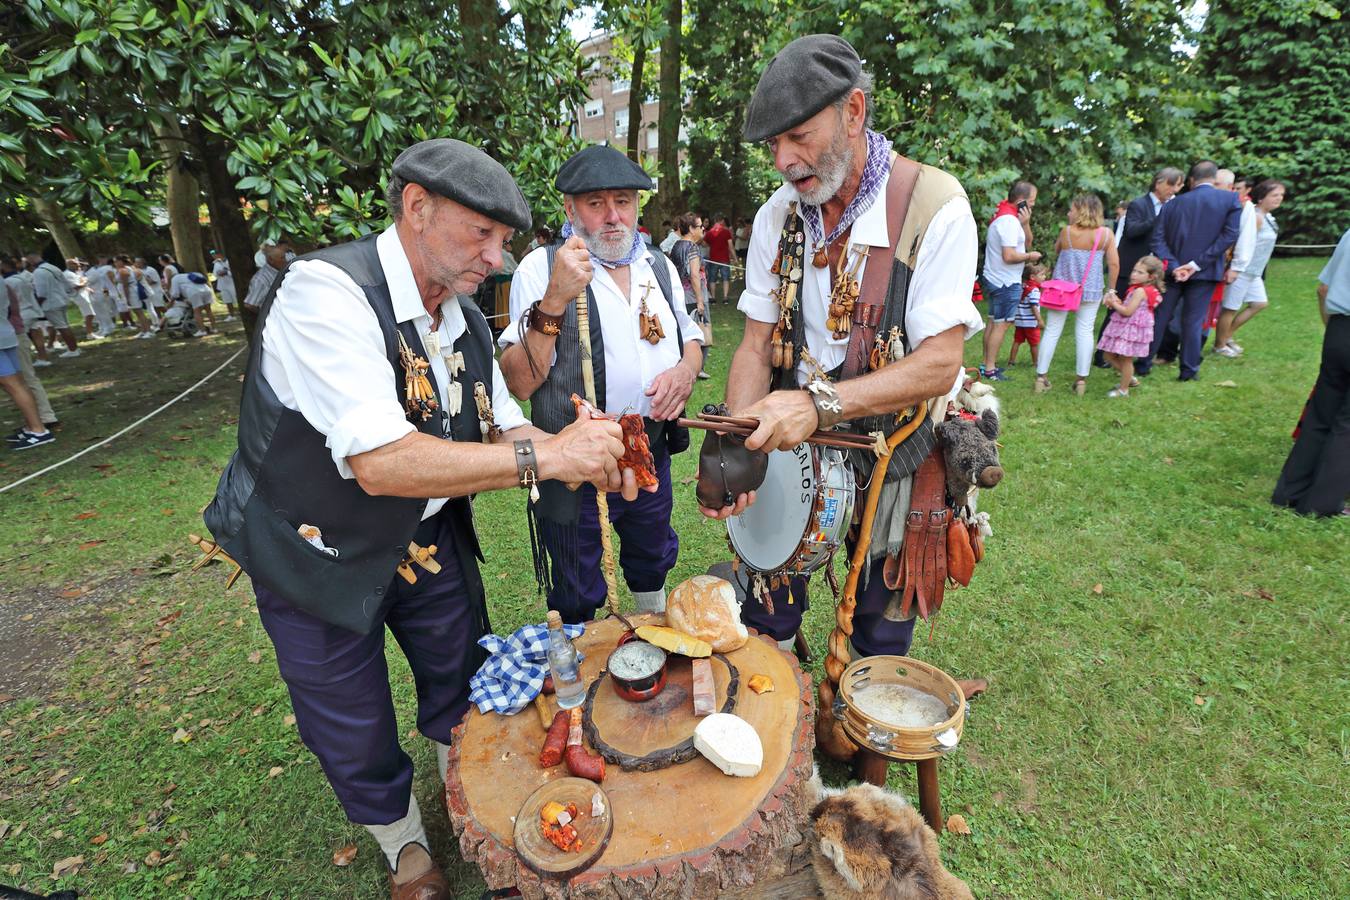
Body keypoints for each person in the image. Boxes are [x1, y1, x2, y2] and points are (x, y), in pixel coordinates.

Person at [204, 139, 634, 900]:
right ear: (416, 207)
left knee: (457, 677)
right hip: (313, 549)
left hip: (427, 543)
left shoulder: (461, 316)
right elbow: (380, 461)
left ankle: (461, 794)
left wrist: (577, 444)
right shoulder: (324, 290)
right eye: (482, 235)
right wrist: (550, 460)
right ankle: (405, 847)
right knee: (349, 714)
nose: (497, 259)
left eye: (505, 241)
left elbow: (505, 428)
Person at [709, 35, 983, 665]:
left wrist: (820, 404)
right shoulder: (778, 217)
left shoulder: (935, 206)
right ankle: (777, 732)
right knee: (768, 605)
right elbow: (754, 344)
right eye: (772, 144)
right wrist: (735, 443)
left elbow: (941, 362)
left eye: (798, 136)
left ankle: (856, 742)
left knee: (879, 632)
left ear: (854, 112)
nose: (782, 159)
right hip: (793, 445)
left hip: (898, 448)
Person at [498, 144, 704, 622]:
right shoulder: (540, 268)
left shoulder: (658, 265)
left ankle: (650, 637)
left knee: (652, 554)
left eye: (624, 201)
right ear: (570, 209)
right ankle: (585, 665)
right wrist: (553, 300)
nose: (613, 216)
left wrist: (685, 372)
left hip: (648, 444)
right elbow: (520, 382)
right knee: (577, 576)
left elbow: (691, 339)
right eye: (596, 204)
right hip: (576, 457)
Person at [1271, 226, 1350, 517]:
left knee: (1321, 413)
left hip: (1339, 329)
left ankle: (1289, 492)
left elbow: (1323, 288)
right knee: (1347, 424)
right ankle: (1322, 503)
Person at [1139, 160, 1242, 381]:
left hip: (1174, 271)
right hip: (1205, 272)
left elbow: (1158, 240)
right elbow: (1230, 236)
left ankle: (1143, 364)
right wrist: (1197, 264)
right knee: (1193, 321)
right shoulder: (1230, 199)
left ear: (1192, 180)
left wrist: (1176, 265)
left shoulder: (1172, 204)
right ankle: (1188, 371)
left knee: (1160, 317)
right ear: (1214, 179)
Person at [1095, 168, 1183, 367]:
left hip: (1152, 271)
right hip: (1130, 269)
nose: (1173, 190)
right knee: (1115, 312)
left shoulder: (1171, 207)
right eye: (1171, 184)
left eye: (1177, 186)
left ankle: (1132, 354)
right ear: (1158, 182)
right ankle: (1102, 356)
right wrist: (1159, 218)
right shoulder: (1138, 204)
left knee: (1143, 314)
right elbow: (1132, 231)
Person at [1035, 194, 1119, 395]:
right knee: (1085, 331)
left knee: (1053, 330)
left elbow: (1057, 250)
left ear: (1081, 211)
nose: (1068, 213)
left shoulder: (1066, 232)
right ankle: (1081, 380)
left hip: (1061, 291)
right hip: (1090, 290)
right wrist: (1111, 290)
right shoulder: (1106, 234)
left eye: (1071, 209)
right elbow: (1114, 264)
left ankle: (1041, 378)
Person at [1214, 180, 1285, 356]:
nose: (1279, 199)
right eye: (1274, 195)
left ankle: (1227, 336)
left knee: (1260, 303)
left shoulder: (1267, 216)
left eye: (1281, 195)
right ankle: (1219, 345)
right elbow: (1241, 242)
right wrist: (1235, 266)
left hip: (1255, 271)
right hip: (1242, 270)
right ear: (1261, 197)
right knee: (1230, 308)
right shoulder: (1255, 217)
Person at [980, 181, 1041, 380]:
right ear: (1022, 201)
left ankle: (986, 365)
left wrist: (1026, 223)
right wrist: (1030, 257)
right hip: (1005, 281)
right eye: (1031, 201)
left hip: (997, 278)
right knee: (1001, 324)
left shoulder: (1011, 218)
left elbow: (1026, 242)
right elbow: (1009, 255)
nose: (1033, 205)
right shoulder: (1008, 222)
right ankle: (990, 369)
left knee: (993, 321)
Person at [1098, 255, 1165, 397]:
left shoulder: (1141, 291)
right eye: (1134, 270)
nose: (1134, 274)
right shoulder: (1137, 289)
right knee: (1108, 355)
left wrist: (1114, 304)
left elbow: (1128, 312)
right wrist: (1117, 302)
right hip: (1126, 328)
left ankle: (1123, 390)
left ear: (1151, 277)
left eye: (1140, 272)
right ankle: (1129, 378)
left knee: (1126, 359)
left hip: (1131, 330)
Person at [2, 276, 55, 450]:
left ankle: (38, 430)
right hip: (6, 334)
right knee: (19, 383)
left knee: (13, 385)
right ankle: (34, 426)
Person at [669, 212, 711, 379]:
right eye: (700, 226)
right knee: (701, 329)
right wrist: (700, 300)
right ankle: (698, 367)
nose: (703, 229)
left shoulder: (677, 245)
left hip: (680, 294)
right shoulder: (693, 247)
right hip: (693, 295)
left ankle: (683, 362)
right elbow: (694, 274)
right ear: (692, 229)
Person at [3, 258, 50, 367]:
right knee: (36, 334)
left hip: (21, 313)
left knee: (21, 341)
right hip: (31, 310)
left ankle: (24, 364)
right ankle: (42, 358)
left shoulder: (7, 282)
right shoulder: (23, 277)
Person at [1007, 262, 1046, 368]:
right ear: (1032, 277)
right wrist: (1039, 320)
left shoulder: (1023, 287)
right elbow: (1033, 306)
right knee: (1034, 344)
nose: (1044, 277)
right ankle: (1036, 363)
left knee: (1017, 341)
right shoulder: (1034, 290)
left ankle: (1011, 361)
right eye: (1042, 275)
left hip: (1020, 321)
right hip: (1031, 323)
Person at [114, 255, 155, 339]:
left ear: (121, 261)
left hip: (131, 292)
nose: (115, 263)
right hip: (131, 290)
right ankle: (143, 330)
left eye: (116, 261)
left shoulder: (123, 270)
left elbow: (125, 285)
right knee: (136, 312)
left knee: (139, 312)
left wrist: (127, 298)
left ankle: (148, 331)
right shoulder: (130, 268)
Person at [243, 239, 290, 310]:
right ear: (271, 260)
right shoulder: (261, 279)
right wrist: (267, 315)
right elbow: (250, 304)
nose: (285, 261)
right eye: (282, 258)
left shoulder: (281, 271)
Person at [170, 268, 217, 335]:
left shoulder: (174, 278)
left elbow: (175, 294)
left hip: (194, 292)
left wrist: (170, 303)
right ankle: (214, 329)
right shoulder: (193, 274)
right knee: (208, 310)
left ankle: (202, 331)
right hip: (207, 290)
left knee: (197, 311)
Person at [703, 213, 737, 304]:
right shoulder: (726, 232)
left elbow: (704, 244)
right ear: (722, 221)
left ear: (714, 221)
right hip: (724, 259)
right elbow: (730, 246)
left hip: (713, 258)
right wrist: (735, 258)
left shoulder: (709, 232)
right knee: (725, 278)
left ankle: (713, 298)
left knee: (712, 279)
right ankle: (725, 297)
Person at [64, 258, 100, 338]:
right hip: (79, 296)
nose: (79, 265)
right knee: (89, 314)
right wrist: (85, 281)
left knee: (90, 314)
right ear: (70, 265)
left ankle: (90, 332)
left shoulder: (75, 273)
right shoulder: (68, 274)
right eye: (76, 264)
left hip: (83, 294)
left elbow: (81, 282)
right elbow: (76, 286)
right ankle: (90, 333)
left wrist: (86, 286)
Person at [210, 250, 238, 321]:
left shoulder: (228, 261)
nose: (214, 256)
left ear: (219, 254)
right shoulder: (216, 263)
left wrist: (226, 272)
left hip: (232, 283)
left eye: (215, 255)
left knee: (237, 299)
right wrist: (219, 273)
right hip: (223, 285)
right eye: (213, 255)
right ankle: (231, 315)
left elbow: (234, 272)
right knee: (227, 300)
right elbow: (215, 274)